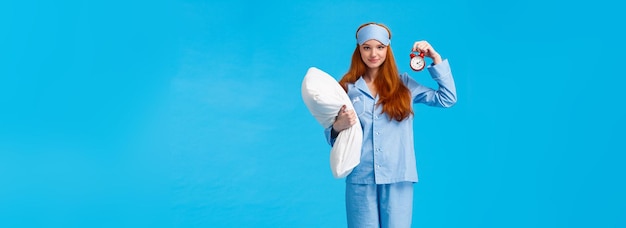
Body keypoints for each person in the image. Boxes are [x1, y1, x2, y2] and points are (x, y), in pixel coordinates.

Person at [324, 22, 457, 227]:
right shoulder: (346, 89)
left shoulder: (404, 85)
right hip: (361, 178)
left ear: (388, 49)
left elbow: (446, 98)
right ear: (358, 50)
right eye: (366, 47)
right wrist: (338, 126)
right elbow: (331, 135)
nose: (373, 53)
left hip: (398, 177)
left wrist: (436, 59)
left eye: (380, 47)